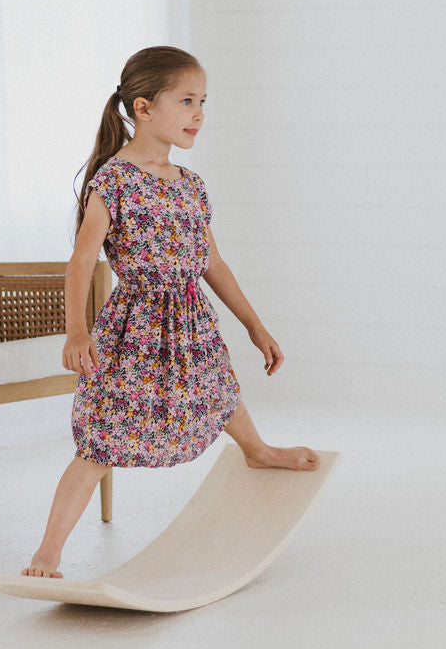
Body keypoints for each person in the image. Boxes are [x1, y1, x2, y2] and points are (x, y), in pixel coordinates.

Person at [22, 44, 319, 578]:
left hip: (190, 322)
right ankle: (49, 550)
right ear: (143, 108)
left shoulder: (191, 185)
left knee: (218, 391)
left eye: (203, 101)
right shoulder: (113, 181)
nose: (199, 114)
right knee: (99, 437)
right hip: (134, 328)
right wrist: (75, 332)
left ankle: (257, 449)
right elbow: (81, 261)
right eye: (186, 101)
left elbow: (213, 263)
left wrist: (255, 326)